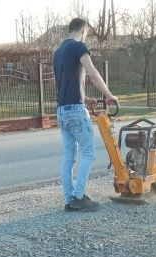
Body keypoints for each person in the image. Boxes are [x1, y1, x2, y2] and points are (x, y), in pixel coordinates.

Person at [52, 17, 116, 212]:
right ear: (83, 30)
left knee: (69, 156)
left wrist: (85, 98)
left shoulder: (58, 52)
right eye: (87, 32)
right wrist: (109, 95)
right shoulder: (79, 46)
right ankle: (79, 197)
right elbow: (93, 73)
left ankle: (69, 198)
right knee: (88, 152)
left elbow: (66, 84)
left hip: (62, 111)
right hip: (75, 112)